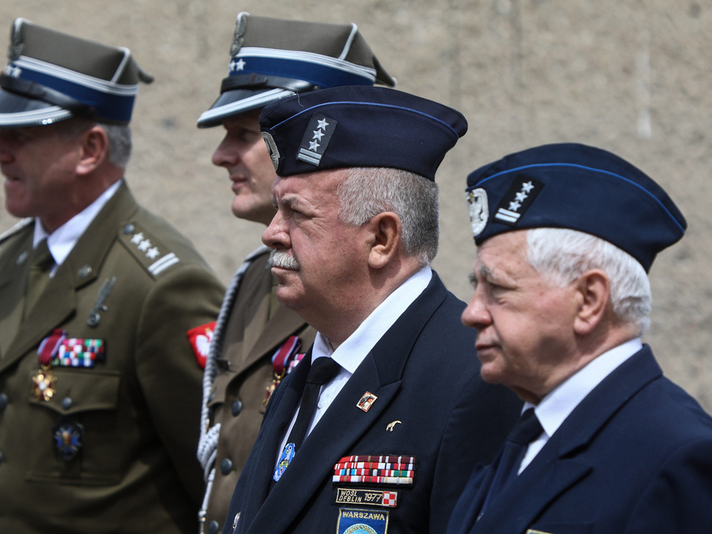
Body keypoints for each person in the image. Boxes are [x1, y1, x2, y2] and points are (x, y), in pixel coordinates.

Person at [0, 19, 225, 533]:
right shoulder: (8, 260)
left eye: (19, 134)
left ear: (91, 150)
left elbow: (215, 486)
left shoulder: (160, 285)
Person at [222, 85, 522, 534]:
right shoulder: (315, 367)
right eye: (275, 210)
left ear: (381, 239)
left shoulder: (474, 377)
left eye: (296, 214)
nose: (272, 233)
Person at [448, 143, 712, 534]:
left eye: (497, 289)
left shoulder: (678, 456)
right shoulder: (530, 431)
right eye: (476, 287)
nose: (471, 312)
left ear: (588, 301)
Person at [195, 13, 396, 534]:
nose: (221, 156)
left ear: (315, 138)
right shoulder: (251, 281)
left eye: (243, 134)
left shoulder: (362, 288)